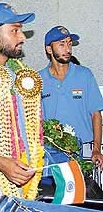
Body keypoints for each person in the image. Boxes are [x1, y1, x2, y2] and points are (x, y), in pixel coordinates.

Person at [0, 3, 97, 212]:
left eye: (20, 31)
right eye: (14, 30)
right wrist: (1, 163)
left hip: (24, 179)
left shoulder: (21, 76)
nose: (22, 37)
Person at [39, 26, 103, 169]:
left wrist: (97, 149)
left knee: (85, 191)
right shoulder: (38, 80)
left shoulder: (84, 75)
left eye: (69, 43)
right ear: (49, 49)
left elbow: (96, 114)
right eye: (61, 44)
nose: (67, 49)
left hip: (84, 150)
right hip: (51, 152)